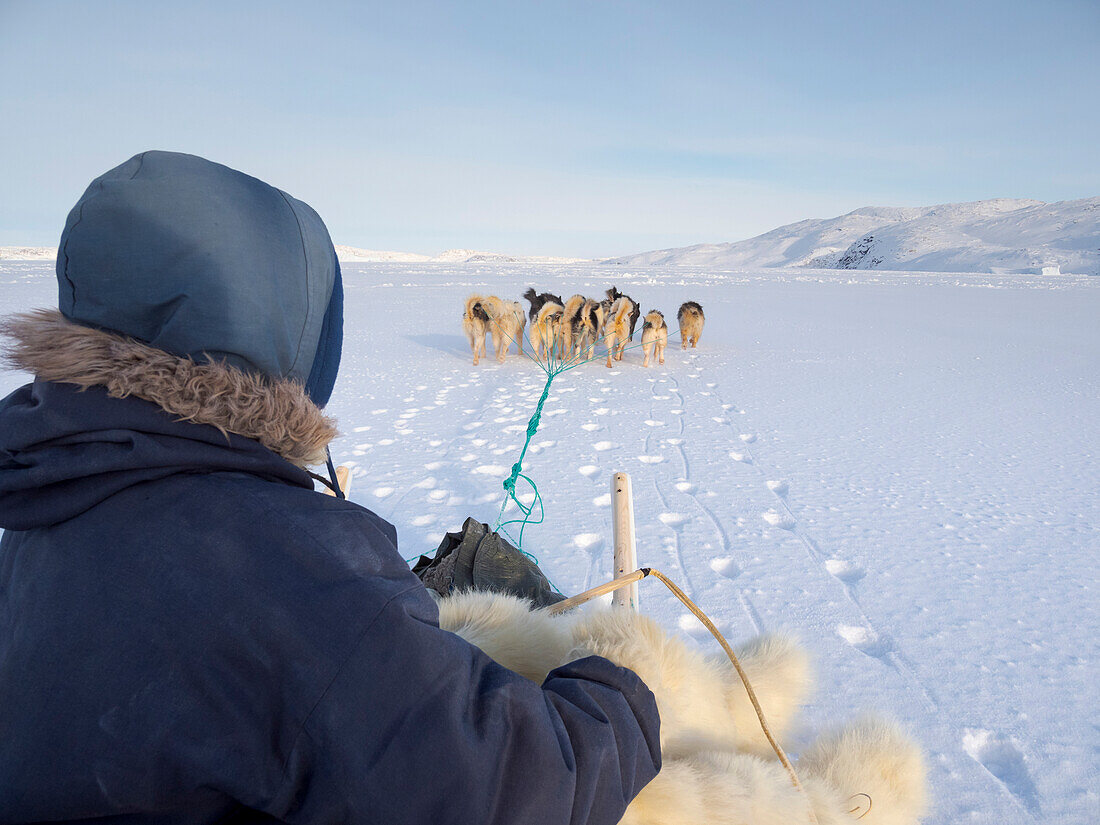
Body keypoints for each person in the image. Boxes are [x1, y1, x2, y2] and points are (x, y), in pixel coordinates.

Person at [0, 151, 661, 823]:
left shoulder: (42, 507)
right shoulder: (281, 564)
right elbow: (500, 791)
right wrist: (625, 688)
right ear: (288, 329)